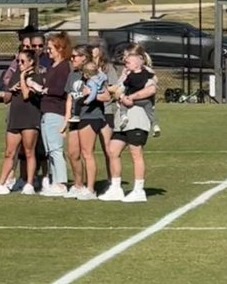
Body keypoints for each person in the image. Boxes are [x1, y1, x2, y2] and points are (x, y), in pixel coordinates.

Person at [100, 47, 157, 203]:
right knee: (112, 150)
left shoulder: (147, 74)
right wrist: (120, 90)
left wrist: (130, 97)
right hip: (122, 121)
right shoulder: (126, 74)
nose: (126, 61)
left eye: (129, 58)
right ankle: (116, 187)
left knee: (135, 153)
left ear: (140, 60)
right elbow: (117, 90)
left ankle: (139, 190)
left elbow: (150, 90)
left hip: (137, 118)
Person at [0, 48, 43, 195]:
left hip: (30, 117)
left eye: (23, 61)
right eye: (18, 61)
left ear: (31, 62)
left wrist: (24, 78)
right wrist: (11, 90)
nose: (19, 64)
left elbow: (26, 95)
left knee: (29, 152)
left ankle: (29, 183)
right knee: (9, 153)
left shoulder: (37, 77)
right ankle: (1, 183)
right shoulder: (15, 75)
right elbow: (6, 99)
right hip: (15, 117)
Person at [63, 44, 108, 200]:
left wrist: (91, 94)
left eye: (74, 56)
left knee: (86, 152)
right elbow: (69, 97)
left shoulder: (94, 73)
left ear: (83, 57)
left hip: (90, 115)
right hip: (75, 117)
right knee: (72, 153)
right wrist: (66, 118)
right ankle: (78, 185)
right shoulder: (73, 75)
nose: (72, 59)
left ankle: (90, 189)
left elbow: (106, 96)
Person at [39, 32, 73, 196]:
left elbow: (60, 90)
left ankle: (61, 183)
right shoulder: (53, 66)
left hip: (56, 111)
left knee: (55, 149)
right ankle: (55, 180)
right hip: (46, 110)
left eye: (51, 48)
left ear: (60, 48)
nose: (48, 51)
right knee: (50, 149)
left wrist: (44, 89)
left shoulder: (64, 67)